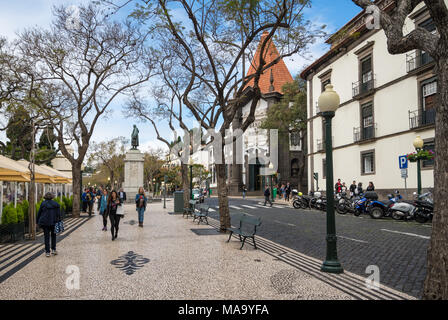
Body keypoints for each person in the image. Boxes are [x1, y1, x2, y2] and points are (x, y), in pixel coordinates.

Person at [37, 192, 61, 257]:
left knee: (46, 237)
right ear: (52, 197)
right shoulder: (56, 204)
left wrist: (37, 221)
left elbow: (39, 213)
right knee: (53, 236)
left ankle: (47, 252)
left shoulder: (43, 204)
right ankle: (53, 249)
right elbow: (58, 214)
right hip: (54, 222)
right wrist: (59, 221)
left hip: (45, 223)